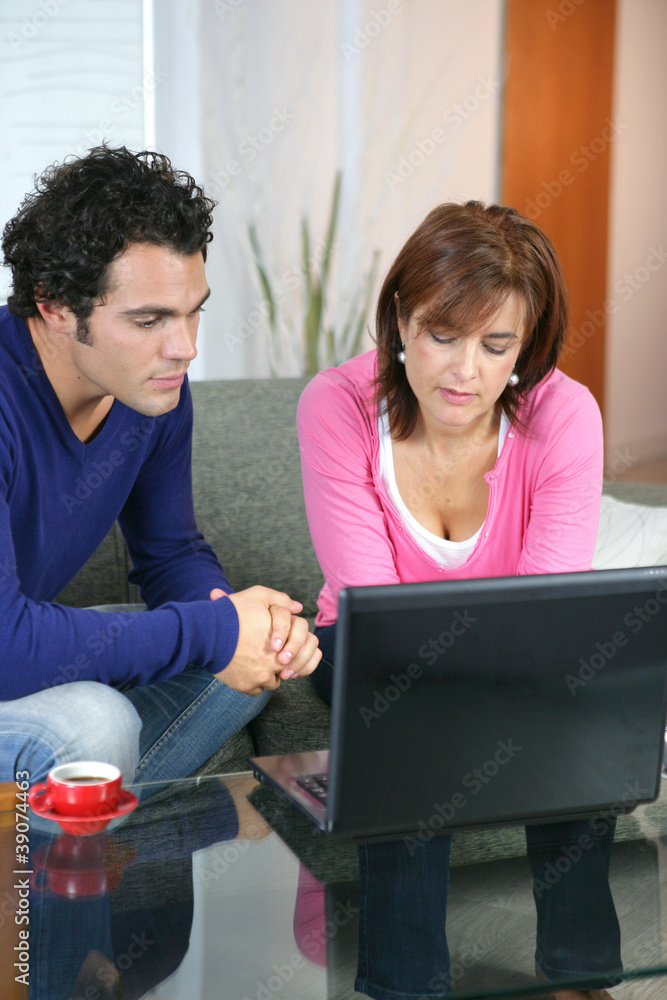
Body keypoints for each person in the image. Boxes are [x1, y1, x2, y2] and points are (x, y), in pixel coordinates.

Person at [297, 202, 619, 999]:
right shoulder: (336, 406)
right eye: (442, 335)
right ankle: (405, 987)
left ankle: (579, 978)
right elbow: (373, 608)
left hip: (519, 645)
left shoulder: (563, 414)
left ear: (526, 346)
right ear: (400, 320)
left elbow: (544, 610)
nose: (464, 371)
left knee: (579, 706)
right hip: (366, 645)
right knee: (408, 712)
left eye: (495, 345)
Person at [0, 145, 320, 786]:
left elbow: (171, 553)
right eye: (149, 320)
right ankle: (68, 829)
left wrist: (243, 627)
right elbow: (8, 646)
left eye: (194, 310)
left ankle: (72, 821)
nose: (185, 347)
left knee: (248, 666)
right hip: (7, 650)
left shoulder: (151, 389)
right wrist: (213, 632)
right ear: (55, 306)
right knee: (96, 725)